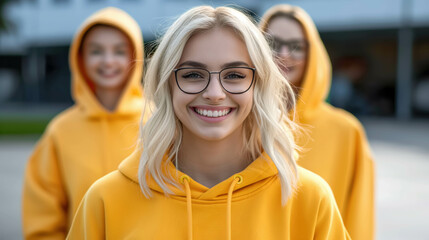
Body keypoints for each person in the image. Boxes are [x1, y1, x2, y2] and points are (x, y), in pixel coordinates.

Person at [66, 6, 350, 239]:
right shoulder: (105, 200)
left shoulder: (310, 200)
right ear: (167, 85)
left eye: (235, 75)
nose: (214, 94)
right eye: (192, 75)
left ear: (259, 86)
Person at [22, 7, 145, 239]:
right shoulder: (61, 130)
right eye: (96, 51)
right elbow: (43, 213)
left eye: (119, 51)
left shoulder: (159, 121)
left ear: (135, 56)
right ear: (80, 58)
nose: (108, 61)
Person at [260, 5, 375, 240]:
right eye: (272, 43)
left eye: (296, 46)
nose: (283, 54)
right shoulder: (239, 122)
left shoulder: (345, 131)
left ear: (313, 54)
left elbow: (358, 217)